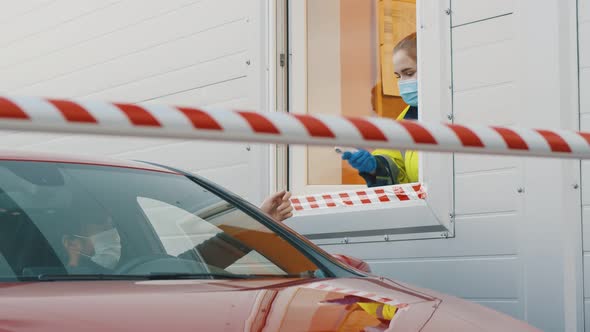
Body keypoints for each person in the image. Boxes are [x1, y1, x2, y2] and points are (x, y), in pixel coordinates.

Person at [61, 191, 294, 271]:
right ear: (71, 243)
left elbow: (202, 260)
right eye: (101, 226)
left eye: (113, 226)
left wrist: (259, 222)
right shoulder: (60, 291)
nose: (112, 234)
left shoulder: (142, 271)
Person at [343, 32, 419, 186]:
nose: (402, 83)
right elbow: (396, 167)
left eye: (409, 73)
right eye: (398, 76)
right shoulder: (406, 118)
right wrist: (375, 166)